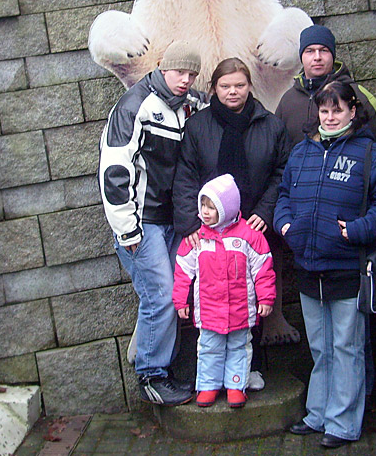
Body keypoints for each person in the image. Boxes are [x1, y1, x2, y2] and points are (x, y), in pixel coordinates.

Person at [274, 81, 376, 448]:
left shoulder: (369, 154)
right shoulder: (302, 152)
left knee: (347, 347)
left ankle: (344, 424)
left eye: (337, 110)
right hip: (308, 266)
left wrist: (360, 229)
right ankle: (318, 415)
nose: (329, 117)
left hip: (348, 265)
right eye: (324, 111)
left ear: (352, 111)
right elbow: (284, 195)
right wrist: (286, 226)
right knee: (321, 347)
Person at [98, 40, 207, 406]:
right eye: (179, 72)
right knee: (160, 295)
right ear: (162, 66)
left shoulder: (191, 103)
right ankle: (152, 375)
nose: (185, 79)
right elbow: (114, 169)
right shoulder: (135, 105)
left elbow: (224, 106)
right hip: (143, 225)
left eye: (191, 74)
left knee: (177, 294)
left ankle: (167, 368)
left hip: (174, 221)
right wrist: (126, 227)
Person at [173, 57, 291, 390]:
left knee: (249, 298)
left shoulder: (271, 126)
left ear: (250, 86)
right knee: (212, 300)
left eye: (239, 85)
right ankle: (210, 377)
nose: (233, 92)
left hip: (252, 228)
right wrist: (190, 225)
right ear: (214, 89)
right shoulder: (198, 127)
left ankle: (243, 372)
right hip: (209, 230)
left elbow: (283, 172)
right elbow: (185, 177)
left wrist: (265, 212)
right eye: (225, 86)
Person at [172, 174, 276, 408]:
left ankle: (235, 385)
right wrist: (180, 301)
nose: (205, 212)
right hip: (209, 312)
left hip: (241, 310)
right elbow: (182, 270)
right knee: (209, 348)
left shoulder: (249, 235)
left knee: (239, 348)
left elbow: (263, 269)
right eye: (203, 205)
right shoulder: (196, 238)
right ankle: (208, 386)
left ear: (227, 208)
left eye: (212, 207)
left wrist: (266, 297)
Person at [275, 24, 376, 170]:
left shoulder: (356, 94)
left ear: (332, 55)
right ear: (301, 57)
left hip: (350, 189)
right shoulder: (287, 101)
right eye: (310, 51)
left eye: (323, 50)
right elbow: (277, 154)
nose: (317, 57)